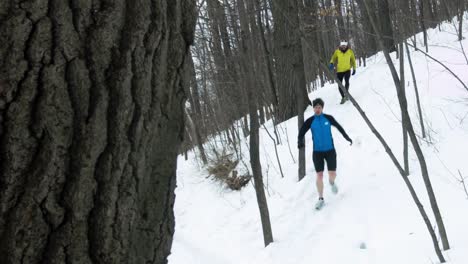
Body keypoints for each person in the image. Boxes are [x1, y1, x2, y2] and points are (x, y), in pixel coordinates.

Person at [297, 98, 353, 209]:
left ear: (322, 108)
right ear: (313, 108)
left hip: (330, 150)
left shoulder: (328, 118)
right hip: (317, 152)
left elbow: (339, 127)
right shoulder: (310, 121)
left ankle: (331, 182)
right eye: (315, 107)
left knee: (332, 174)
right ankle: (321, 198)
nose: (317, 109)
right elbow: (302, 132)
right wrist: (299, 141)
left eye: (319, 107)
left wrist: (347, 137)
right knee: (319, 175)